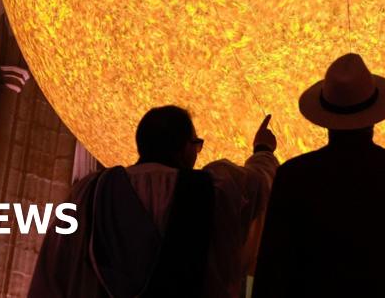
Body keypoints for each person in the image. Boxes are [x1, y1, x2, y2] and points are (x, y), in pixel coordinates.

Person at [252, 53, 385, 298]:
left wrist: (262, 151)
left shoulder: (292, 179)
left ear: (325, 117)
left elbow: (272, 273)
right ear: (374, 115)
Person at [29, 106, 278, 298]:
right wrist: (263, 149)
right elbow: (259, 184)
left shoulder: (90, 192)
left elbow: (53, 272)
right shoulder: (213, 190)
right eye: (197, 144)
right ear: (184, 149)